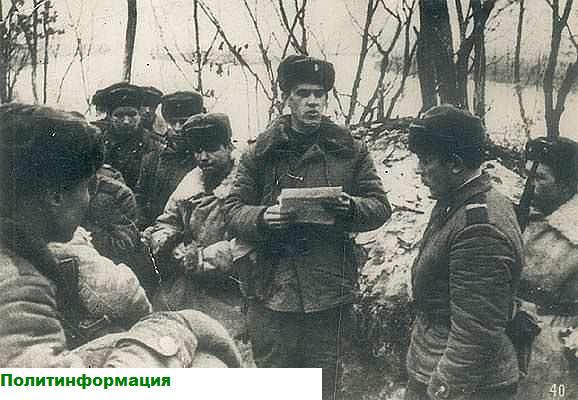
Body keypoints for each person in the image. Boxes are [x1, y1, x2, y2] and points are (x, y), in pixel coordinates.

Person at [0, 103, 241, 368]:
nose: (88, 199)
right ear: (55, 197)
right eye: (87, 187)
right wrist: (171, 331)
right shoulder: (15, 284)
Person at [224, 55, 391, 400]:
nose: (313, 102)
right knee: (275, 381)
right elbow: (232, 209)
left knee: (323, 381)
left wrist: (351, 207)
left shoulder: (350, 151)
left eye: (319, 94)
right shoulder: (260, 153)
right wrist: (262, 218)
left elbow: (379, 206)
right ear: (286, 98)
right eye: (303, 93)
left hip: (328, 289)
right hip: (272, 287)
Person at [405, 105, 524, 400]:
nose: (419, 170)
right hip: (438, 360)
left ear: (456, 164)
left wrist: (443, 389)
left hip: (464, 381)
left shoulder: (478, 228)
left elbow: (476, 331)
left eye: (426, 160)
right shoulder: (464, 200)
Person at [142, 113, 246, 337]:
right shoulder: (191, 183)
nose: (203, 157)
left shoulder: (245, 183)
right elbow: (166, 221)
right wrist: (173, 245)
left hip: (232, 290)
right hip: (187, 285)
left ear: (228, 146)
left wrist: (205, 258)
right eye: (198, 151)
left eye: (212, 149)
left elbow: (249, 240)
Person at [515, 137, 578, 400]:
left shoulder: (573, 231)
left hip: (558, 345)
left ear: (567, 183)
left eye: (540, 177)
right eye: (527, 174)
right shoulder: (521, 215)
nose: (530, 184)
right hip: (513, 333)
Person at [136, 90, 204, 227]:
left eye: (183, 122)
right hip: (155, 230)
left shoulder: (204, 159)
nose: (177, 128)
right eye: (172, 122)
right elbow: (140, 199)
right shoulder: (153, 159)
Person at [90, 82, 163, 189]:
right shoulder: (96, 144)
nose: (126, 121)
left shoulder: (154, 146)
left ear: (140, 115)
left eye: (132, 114)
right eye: (119, 115)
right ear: (109, 117)